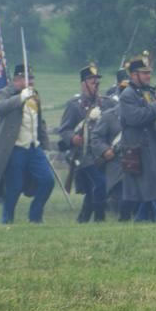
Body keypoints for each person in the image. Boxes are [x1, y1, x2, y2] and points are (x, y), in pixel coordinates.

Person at [0, 65, 53, 223]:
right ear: (17, 79)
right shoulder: (5, 93)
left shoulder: (34, 94)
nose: (31, 82)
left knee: (47, 181)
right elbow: (0, 108)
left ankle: (35, 216)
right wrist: (20, 98)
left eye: (32, 78)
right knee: (14, 187)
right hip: (15, 148)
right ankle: (7, 219)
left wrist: (46, 147)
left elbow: (39, 121)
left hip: (34, 147)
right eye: (28, 78)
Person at [119, 56, 156, 222]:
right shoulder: (127, 95)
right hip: (139, 148)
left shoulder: (147, 92)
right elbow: (135, 118)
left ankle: (141, 220)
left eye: (149, 73)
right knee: (155, 188)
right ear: (133, 75)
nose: (148, 76)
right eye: (144, 73)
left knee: (150, 188)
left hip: (152, 145)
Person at [58, 64, 115, 222]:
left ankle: (83, 219)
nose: (96, 84)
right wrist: (72, 138)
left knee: (92, 190)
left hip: (103, 152)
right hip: (84, 154)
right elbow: (64, 129)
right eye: (92, 81)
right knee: (100, 183)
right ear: (83, 84)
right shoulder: (74, 105)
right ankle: (100, 218)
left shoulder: (107, 103)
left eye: (97, 81)